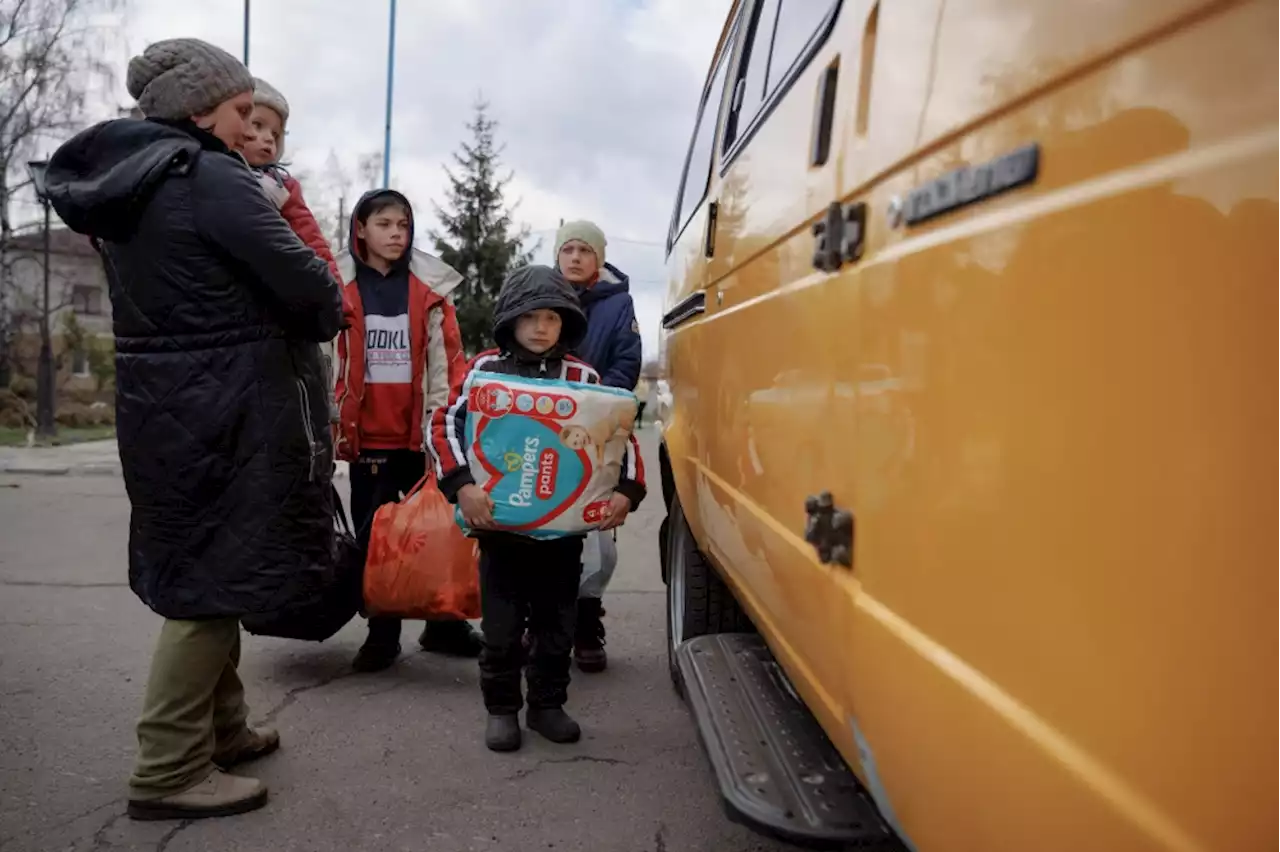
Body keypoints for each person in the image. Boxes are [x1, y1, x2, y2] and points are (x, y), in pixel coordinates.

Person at [43, 39, 343, 820]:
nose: (250, 129)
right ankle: (170, 766)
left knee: (215, 564)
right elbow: (312, 286)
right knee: (211, 588)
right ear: (199, 108)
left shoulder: (129, 183)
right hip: (231, 400)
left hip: (164, 398)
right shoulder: (205, 174)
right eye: (242, 112)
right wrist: (319, 304)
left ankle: (226, 727)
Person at [429, 265, 646, 752]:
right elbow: (443, 425)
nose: (540, 326)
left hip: (563, 538)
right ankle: (502, 709)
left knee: (556, 627)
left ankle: (548, 704)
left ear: (566, 322)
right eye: (530, 316)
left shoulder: (584, 377)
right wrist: (462, 485)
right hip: (500, 533)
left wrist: (626, 492)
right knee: (501, 630)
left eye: (551, 316)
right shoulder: (485, 371)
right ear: (510, 318)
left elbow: (618, 436)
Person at [332, 188, 483, 672]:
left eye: (403, 225)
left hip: (420, 440)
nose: (396, 234)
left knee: (438, 533)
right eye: (384, 225)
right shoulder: (337, 287)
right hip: (368, 440)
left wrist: (442, 435)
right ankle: (382, 634)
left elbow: (448, 366)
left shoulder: (429, 292)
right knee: (378, 542)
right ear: (361, 229)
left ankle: (444, 624)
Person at [553, 220, 643, 673]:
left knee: (595, 536)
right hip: (546, 430)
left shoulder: (618, 304)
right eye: (567, 249)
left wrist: (593, 405)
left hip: (598, 431)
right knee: (543, 528)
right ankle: (543, 621)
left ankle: (587, 620)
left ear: (599, 258)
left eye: (584, 250)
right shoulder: (542, 297)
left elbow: (626, 361)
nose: (574, 257)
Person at [241, 77, 343, 285]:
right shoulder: (209, 170)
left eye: (276, 134)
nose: (269, 138)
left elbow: (311, 238)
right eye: (258, 125)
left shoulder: (281, 187)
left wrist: (336, 289)